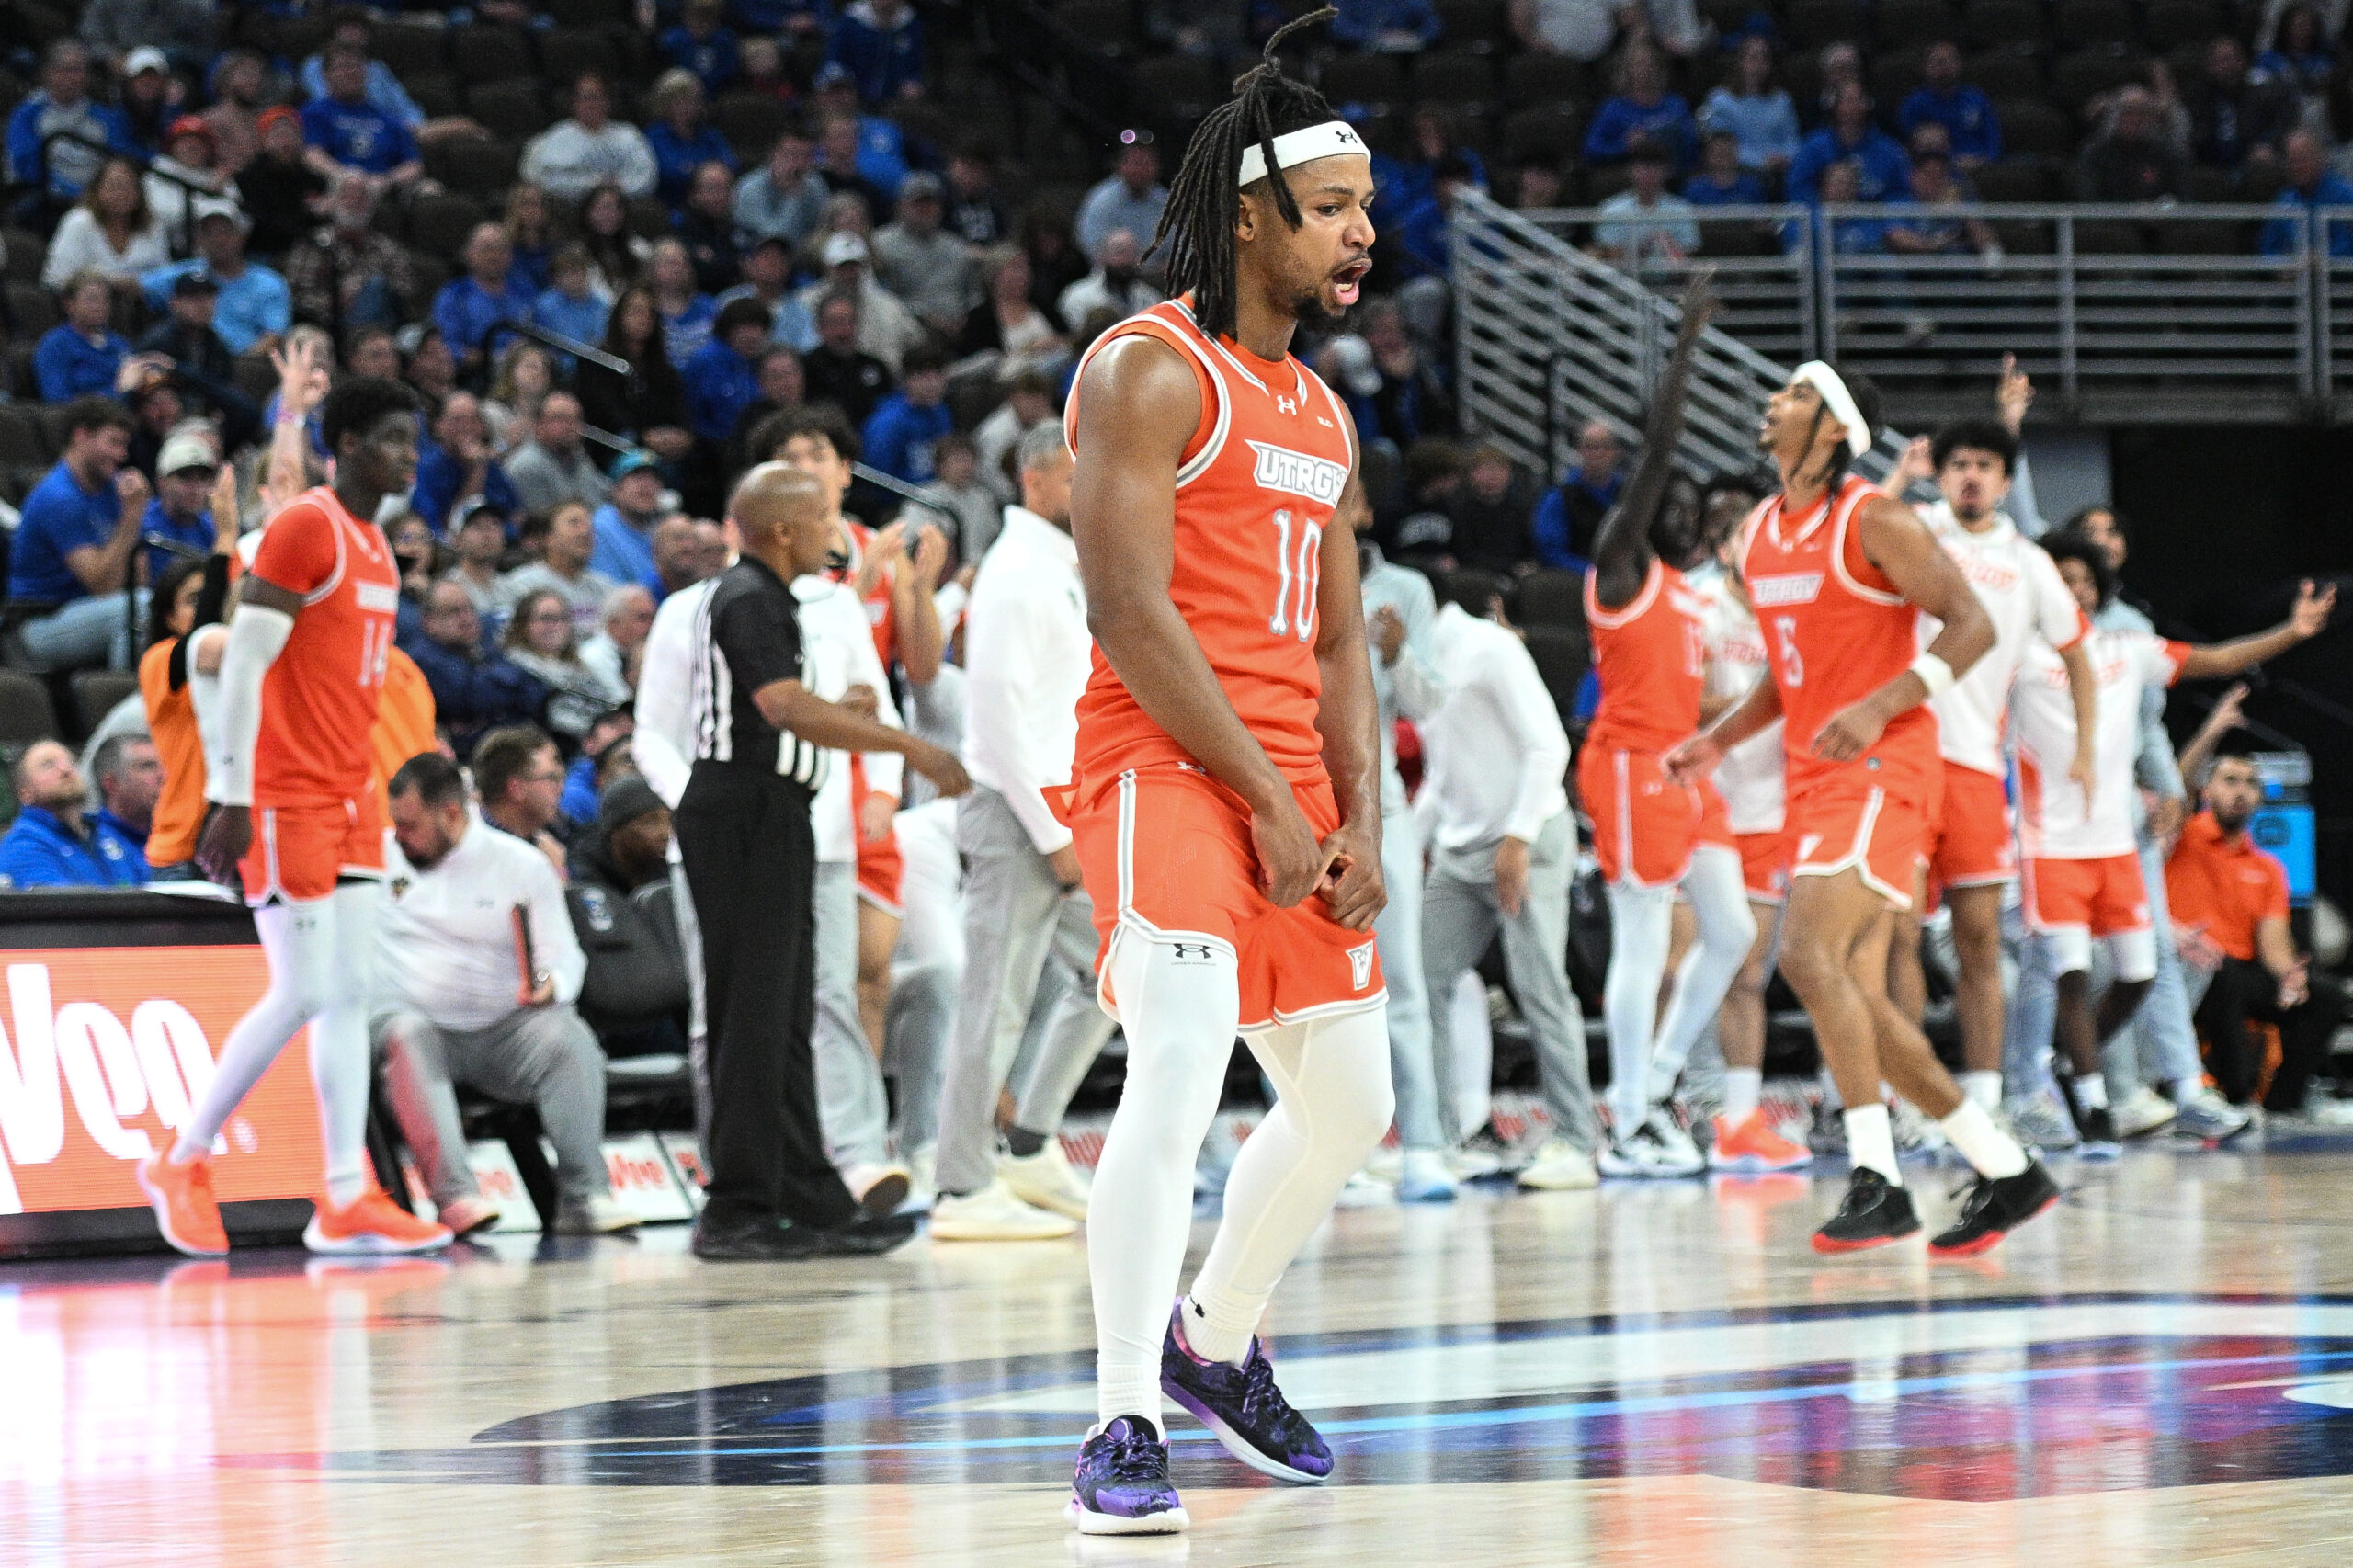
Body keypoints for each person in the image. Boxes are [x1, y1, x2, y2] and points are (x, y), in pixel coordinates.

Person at [1059, 23, 1393, 1526]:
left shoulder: (1324, 414)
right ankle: (1124, 1411)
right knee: (1185, 1050)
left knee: (1353, 1103)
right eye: (1332, 205)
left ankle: (1213, 1337)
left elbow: (1339, 645)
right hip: (1164, 764)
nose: (1362, 231)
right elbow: (1126, 611)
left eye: (1367, 207)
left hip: (1290, 786)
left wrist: (1360, 812)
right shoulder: (1144, 367)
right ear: (1251, 215)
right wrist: (1260, 796)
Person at [1665, 362, 2054, 1257]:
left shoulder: (1873, 518)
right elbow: (1783, 671)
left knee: (1804, 953)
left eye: (1794, 394)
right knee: (1853, 990)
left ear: (1835, 425)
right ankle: (2003, 1165)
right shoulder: (1760, 532)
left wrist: (1883, 701)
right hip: (1815, 771)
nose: (1773, 404)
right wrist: (1719, 738)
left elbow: (1970, 623)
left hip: (1887, 760)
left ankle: (1875, 1174)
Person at [136, 371, 454, 1259]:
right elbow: (241, 665)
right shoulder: (308, 525)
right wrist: (232, 797)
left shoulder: (377, 547)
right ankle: (180, 1157)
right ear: (346, 444)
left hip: (352, 794)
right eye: (393, 438)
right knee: (307, 989)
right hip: (281, 795)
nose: (410, 456)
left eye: (414, 440)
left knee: (352, 993)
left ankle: (346, 1196)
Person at [675, 464, 965, 1260]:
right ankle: (735, 1209)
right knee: (750, 1019)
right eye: (821, 520)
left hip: (777, 817)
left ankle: (804, 1191)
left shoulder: (772, 602)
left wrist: (845, 715)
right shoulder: (747, 599)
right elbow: (780, 706)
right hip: (740, 817)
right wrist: (911, 747)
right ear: (780, 531)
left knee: (789, 1014)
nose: (835, 536)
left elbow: (778, 709)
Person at [2019, 533, 2334, 1142]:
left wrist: (2292, 632)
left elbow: (2217, 659)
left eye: (2083, 579)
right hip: (2051, 844)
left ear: (2097, 590)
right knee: (2071, 972)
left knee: (2141, 973)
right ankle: (2086, 1102)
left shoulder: (2129, 649)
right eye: (2060, 578)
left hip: (2117, 845)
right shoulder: (2022, 657)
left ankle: (2064, 1066)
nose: (2073, 589)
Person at [1577, 289, 1756, 1178]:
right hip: (1628, 760)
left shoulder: (1693, 592)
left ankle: (1651, 1085)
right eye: (1669, 508)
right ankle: (1625, 1120)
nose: (1679, 518)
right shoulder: (1620, 568)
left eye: (1692, 513)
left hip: (1689, 764)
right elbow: (1654, 458)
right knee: (1642, 938)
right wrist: (1683, 351)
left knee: (1728, 930)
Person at [1880, 419, 2097, 1125]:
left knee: (1978, 939)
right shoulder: (1913, 527)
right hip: (1906, 755)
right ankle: (1909, 1099)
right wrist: (1896, 478)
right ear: (1940, 475)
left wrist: (2085, 749)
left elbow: (2077, 654)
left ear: (2005, 481)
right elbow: (1850, 543)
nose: (1971, 475)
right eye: (1959, 464)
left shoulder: (2030, 562)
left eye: (1985, 464)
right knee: (1898, 932)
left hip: (1977, 768)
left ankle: (1984, 1100)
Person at [930, 426, 1117, 1241]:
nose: (1094, 485)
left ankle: (1032, 1142)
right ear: (1035, 478)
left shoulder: (1062, 566)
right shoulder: (1012, 574)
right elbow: (996, 719)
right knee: (994, 1003)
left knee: (1116, 969)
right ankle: (962, 1188)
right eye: (1079, 471)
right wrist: (1051, 834)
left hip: (1063, 808)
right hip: (1019, 814)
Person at [374, 753, 640, 1238]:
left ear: (451, 814)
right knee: (405, 1033)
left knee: (568, 1038)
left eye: (410, 825)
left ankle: (585, 1197)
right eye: (395, 824)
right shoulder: (377, 859)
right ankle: (455, 1199)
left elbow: (567, 959)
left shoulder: (520, 864)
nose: (399, 835)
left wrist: (551, 986)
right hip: (423, 1027)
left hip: (505, 1028)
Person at [1417, 572, 1600, 1187]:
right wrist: (1403, 849)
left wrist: (1517, 840)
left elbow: (1550, 747)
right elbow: (1442, 773)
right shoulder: (1411, 665)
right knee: (1420, 983)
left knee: (1540, 987)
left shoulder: (1490, 649)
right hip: (1461, 849)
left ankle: (1578, 1142)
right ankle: (1438, 1141)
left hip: (1526, 840)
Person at [1688, 479, 1814, 1169]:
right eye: (1745, 537)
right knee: (1684, 964)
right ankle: (1675, 1101)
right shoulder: (1701, 610)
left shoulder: (1789, 616)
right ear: (1726, 548)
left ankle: (1738, 1117)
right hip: (1703, 808)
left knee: (1745, 973)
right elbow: (1676, 702)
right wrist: (1749, 706)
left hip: (1769, 810)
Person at [2172, 747, 2350, 1114]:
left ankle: (2282, 1106)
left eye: (2250, 783)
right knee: (2223, 975)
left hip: (2240, 971)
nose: (2241, 791)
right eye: (2230, 781)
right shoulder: (2182, 838)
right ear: (2206, 791)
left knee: (2325, 996)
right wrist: (2212, 731)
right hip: (2187, 968)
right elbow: (2174, 785)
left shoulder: (2268, 867)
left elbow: (2272, 942)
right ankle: (2237, 1097)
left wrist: (2291, 976)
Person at [10, 396, 150, 674]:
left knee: (150, 602)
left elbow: (140, 577)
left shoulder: (113, 492)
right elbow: (100, 583)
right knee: (138, 609)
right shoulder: (58, 497)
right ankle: (123, 698)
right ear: (81, 435)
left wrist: (130, 521)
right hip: (40, 622)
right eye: (114, 442)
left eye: (125, 445)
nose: (122, 455)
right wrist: (132, 518)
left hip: (85, 609)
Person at [404, 580, 548, 755]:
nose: (467, 618)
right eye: (453, 612)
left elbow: (532, 692)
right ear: (429, 622)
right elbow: (470, 696)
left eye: (470, 609)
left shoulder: (484, 648)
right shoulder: (421, 656)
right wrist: (504, 683)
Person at [6, 40, 136, 216]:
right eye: (66, 70)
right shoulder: (28, 115)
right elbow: (25, 164)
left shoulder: (104, 116)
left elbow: (121, 156)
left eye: (79, 70)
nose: (73, 77)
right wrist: (68, 191)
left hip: (99, 200)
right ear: (48, 73)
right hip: (46, 198)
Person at [0, 739, 150, 888]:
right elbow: (61, 908)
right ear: (25, 792)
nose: (66, 770)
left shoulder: (106, 834)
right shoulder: (24, 845)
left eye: (71, 762)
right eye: (48, 765)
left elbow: (150, 891)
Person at [503, 586, 632, 745]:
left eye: (562, 618)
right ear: (523, 624)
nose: (554, 625)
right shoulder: (514, 670)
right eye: (546, 618)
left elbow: (609, 702)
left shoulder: (582, 667)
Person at [301, 42, 424, 197]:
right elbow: (311, 155)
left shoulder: (387, 118)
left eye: (356, 66)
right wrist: (347, 177)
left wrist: (386, 181)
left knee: (431, 190)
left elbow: (413, 165)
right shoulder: (314, 112)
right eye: (343, 67)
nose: (351, 72)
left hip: (385, 189)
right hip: (337, 188)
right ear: (326, 74)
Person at [872, 172, 979, 342]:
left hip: (961, 331)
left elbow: (974, 294)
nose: (924, 209)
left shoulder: (955, 246)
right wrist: (924, 316)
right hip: (910, 328)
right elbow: (880, 297)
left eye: (930, 203)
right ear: (901, 206)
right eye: (917, 203)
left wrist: (968, 318)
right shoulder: (881, 244)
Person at [522, 74, 657, 201]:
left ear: (607, 101)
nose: (592, 104)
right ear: (574, 102)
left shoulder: (628, 134)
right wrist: (590, 186)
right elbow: (539, 177)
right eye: (586, 97)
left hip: (622, 205)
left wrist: (616, 188)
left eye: (597, 97)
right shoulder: (555, 137)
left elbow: (647, 177)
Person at [42, 158, 170, 294]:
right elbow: (58, 278)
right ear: (97, 190)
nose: (122, 194)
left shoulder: (152, 224)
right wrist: (113, 283)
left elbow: (164, 275)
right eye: (114, 187)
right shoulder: (79, 222)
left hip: (145, 304)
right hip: (90, 304)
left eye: (129, 187)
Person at [503, 500, 620, 642]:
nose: (585, 532)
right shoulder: (523, 586)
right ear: (549, 538)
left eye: (589, 525)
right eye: (574, 523)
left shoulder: (605, 587)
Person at [1583, 41, 1698, 170]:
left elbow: (1692, 144)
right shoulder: (1614, 108)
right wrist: (1625, 145)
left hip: (1671, 171)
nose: (1646, 70)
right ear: (1628, 69)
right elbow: (1591, 148)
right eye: (1640, 64)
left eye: (1651, 64)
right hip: (1629, 172)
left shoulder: (1675, 105)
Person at [1790, 82, 1910, 203]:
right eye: (1848, 100)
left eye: (1859, 100)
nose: (1854, 106)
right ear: (1835, 105)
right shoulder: (1814, 146)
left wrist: (1893, 220)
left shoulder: (1888, 149)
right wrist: (1819, 214)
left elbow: (1902, 193)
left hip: (1874, 220)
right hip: (1826, 218)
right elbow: (1798, 188)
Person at [1699, 35, 1799, 178]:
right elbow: (1720, 146)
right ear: (1740, 62)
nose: (1759, 65)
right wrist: (1759, 162)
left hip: (1780, 170)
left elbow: (1792, 139)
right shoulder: (1720, 100)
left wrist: (1784, 157)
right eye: (1753, 58)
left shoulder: (1782, 100)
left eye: (1764, 59)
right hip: (1739, 173)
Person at [1592, 139, 1699, 269]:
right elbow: (1613, 258)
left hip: (1670, 284)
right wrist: (1642, 249)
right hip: (1623, 284)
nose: (1649, 173)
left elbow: (1687, 261)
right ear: (1630, 170)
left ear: (1667, 171)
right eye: (1643, 167)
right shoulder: (1612, 209)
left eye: (1656, 167)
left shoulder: (1682, 209)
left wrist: (1666, 244)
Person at [1531, 419, 1624, 569]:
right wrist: (1591, 571)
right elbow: (1551, 552)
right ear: (1579, 451)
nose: (1599, 453)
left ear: (1616, 452)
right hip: (1578, 579)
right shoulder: (1559, 498)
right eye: (1591, 447)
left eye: (1605, 447)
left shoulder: (1627, 495)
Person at [505, 393, 615, 516]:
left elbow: (607, 493)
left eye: (576, 419)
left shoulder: (577, 456)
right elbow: (543, 522)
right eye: (560, 419)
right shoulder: (526, 466)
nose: (570, 426)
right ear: (538, 425)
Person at [683, 297, 772, 449]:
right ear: (728, 330)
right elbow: (690, 413)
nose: (752, 335)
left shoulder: (767, 362)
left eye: (758, 327)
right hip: (712, 447)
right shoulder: (704, 362)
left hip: (758, 444)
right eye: (745, 327)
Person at [1898, 41, 2001, 168]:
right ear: (1926, 67)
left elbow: (1992, 136)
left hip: (1982, 165)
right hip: (1940, 170)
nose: (1945, 67)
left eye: (1951, 60)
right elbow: (1910, 146)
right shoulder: (1914, 104)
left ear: (1959, 64)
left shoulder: (1976, 98)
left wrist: (1987, 160)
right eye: (1939, 62)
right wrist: (1953, 161)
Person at [801, 290, 895, 426]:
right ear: (820, 327)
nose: (843, 331)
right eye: (835, 322)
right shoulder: (806, 368)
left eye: (848, 321)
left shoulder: (876, 366)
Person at [861, 345, 953, 484]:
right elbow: (878, 480)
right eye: (923, 376)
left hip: (938, 491)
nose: (932, 383)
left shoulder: (942, 412)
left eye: (937, 375)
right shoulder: (888, 422)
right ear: (906, 380)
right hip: (902, 500)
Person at [35, 272, 131, 403]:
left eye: (105, 300)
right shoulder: (55, 345)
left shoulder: (118, 343)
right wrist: (118, 390)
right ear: (69, 304)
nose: (100, 306)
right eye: (92, 300)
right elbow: (58, 401)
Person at [646, 68, 734, 210]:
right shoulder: (655, 135)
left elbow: (729, 165)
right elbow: (669, 172)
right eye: (677, 101)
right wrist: (705, 174)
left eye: (690, 101)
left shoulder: (710, 135)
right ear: (665, 104)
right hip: (673, 207)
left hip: (714, 205)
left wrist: (693, 171)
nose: (685, 107)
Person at [734, 127, 831, 252]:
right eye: (791, 155)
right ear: (774, 154)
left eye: (806, 156)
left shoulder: (815, 184)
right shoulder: (750, 189)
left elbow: (824, 227)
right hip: (759, 253)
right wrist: (792, 197)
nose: (799, 164)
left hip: (803, 255)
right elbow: (774, 239)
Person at [2261, 128, 2353, 258]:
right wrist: (2282, 267)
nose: (2297, 167)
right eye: (2292, 161)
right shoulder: (2284, 200)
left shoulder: (2345, 196)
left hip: (2338, 277)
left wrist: (2320, 259)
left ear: (2319, 158)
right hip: (2295, 275)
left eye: (2302, 160)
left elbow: (2349, 245)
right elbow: (2267, 248)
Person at [590, 452, 672, 597]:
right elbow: (611, 592)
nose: (647, 485)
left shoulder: (660, 528)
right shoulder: (600, 527)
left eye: (653, 479)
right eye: (637, 477)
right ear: (617, 490)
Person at [1057, 228, 1161, 333]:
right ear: (1102, 256)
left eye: (1133, 253)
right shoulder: (1077, 297)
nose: (1127, 259)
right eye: (1120, 251)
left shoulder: (1151, 298)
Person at [827, 0, 927, 106]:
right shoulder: (853, 20)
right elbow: (834, 58)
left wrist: (912, 81)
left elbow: (915, 64)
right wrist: (841, 81)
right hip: (854, 95)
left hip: (895, 100)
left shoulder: (910, 24)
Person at [583, 583, 655, 694]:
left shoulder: (640, 653)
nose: (652, 626)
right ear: (614, 623)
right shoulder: (595, 656)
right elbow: (620, 702)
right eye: (642, 618)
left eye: (653, 618)